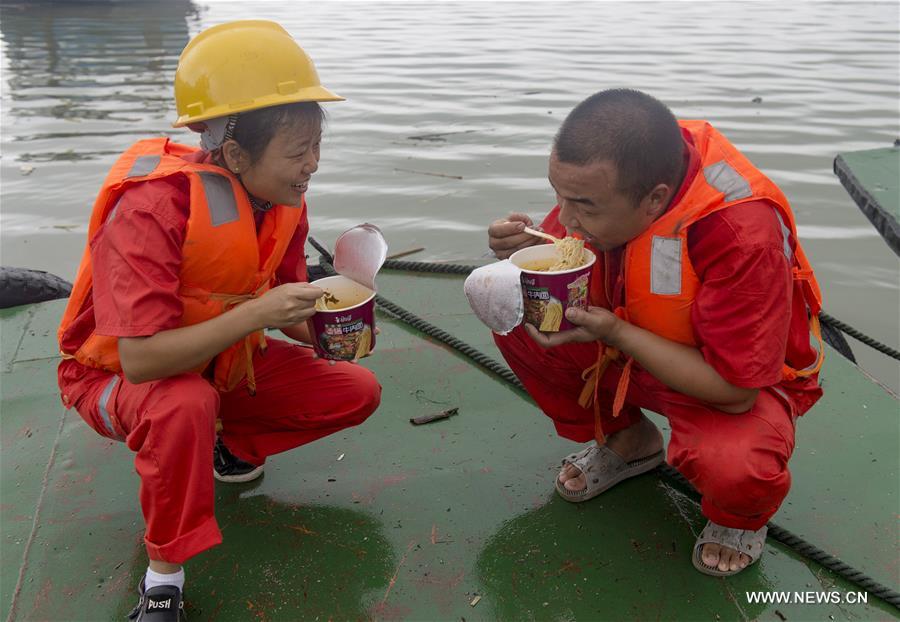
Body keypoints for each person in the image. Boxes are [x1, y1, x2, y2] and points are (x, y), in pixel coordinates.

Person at [56, 20, 381, 620]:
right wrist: (259, 313)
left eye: (316, 146)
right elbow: (140, 358)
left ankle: (226, 446)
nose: (312, 164)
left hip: (223, 365)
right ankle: (163, 580)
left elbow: (286, 296)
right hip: (116, 380)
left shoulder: (282, 201)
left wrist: (334, 328)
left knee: (356, 391)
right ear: (234, 153)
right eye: (297, 151)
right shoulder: (151, 208)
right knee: (182, 406)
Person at [488, 89, 824, 577]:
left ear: (656, 199)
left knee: (737, 466)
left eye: (583, 205)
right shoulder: (625, 174)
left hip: (730, 380)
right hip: (633, 341)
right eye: (559, 195)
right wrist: (513, 247)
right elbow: (568, 244)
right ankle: (629, 441)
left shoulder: (739, 234)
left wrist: (618, 333)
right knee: (520, 317)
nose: (564, 219)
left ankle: (739, 519)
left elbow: (736, 392)